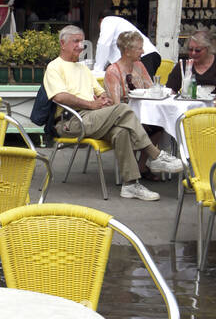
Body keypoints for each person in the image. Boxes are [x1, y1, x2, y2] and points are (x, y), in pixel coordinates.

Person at [43, 25, 183, 201]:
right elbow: (60, 96)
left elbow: (100, 91)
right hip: (71, 121)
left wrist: (103, 99)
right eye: (76, 41)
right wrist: (91, 104)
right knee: (124, 109)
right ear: (63, 44)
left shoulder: (83, 68)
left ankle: (130, 185)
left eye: (82, 41)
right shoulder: (54, 67)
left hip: (92, 117)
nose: (80, 45)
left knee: (122, 131)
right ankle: (155, 155)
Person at [104, 30, 164, 173]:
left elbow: (151, 89)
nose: (143, 51)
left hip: (143, 114)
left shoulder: (140, 66)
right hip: (123, 118)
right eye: (139, 48)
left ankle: (141, 165)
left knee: (159, 126)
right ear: (127, 51)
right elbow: (116, 105)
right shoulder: (113, 71)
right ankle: (145, 164)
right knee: (144, 127)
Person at [166, 29, 216, 101]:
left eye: (198, 50)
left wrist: (213, 107)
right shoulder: (183, 65)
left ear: (208, 49)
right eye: (190, 49)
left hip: (214, 108)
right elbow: (170, 90)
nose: (193, 53)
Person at [95, 14, 160, 77]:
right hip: (147, 55)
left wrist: (98, 69)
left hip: (144, 56)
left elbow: (103, 44)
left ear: (101, 20)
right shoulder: (119, 23)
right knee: (137, 86)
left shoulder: (107, 21)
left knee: (142, 86)